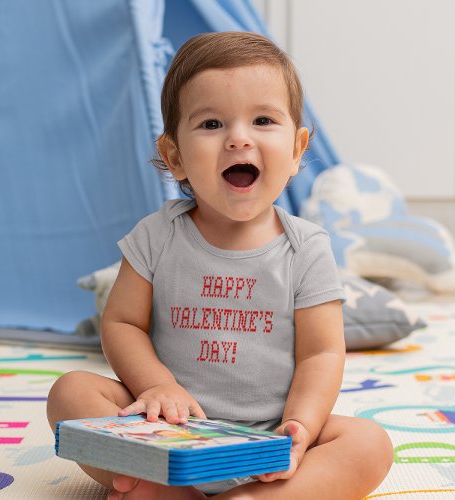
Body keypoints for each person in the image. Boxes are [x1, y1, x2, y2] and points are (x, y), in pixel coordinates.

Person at [47, 31, 393, 499]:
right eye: (211, 124)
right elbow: (123, 322)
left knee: (369, 443)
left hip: (269, 443)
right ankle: (158, 483)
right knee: (70, 392)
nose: (238, 138)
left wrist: (301, 427)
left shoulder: (305, 248)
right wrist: (156, 386)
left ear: (296, 149)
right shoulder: (157, 235)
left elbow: (322, 353)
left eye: (263, 120)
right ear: (175, 156)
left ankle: (250, 497)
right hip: (165, 432)